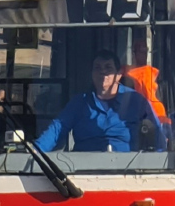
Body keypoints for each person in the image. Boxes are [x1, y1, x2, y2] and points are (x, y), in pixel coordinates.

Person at [34, 51, 165, 154]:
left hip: (126, 172)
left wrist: (160, 162)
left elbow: (158, 131)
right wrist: (35, 152)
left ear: (119, 74)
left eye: (108, 68)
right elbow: (57, 129)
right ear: (92, 73)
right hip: (82, 172)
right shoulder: (79, 102)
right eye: (97, 68)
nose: (102, 72)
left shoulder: (136, 100)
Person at [122, 33, 170, 125]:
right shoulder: (126, 73)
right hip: (135, 112)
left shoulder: (153, 72)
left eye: (145, 50)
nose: (143, 54)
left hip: (156, 113)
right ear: (134, 52)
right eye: (140, 50)